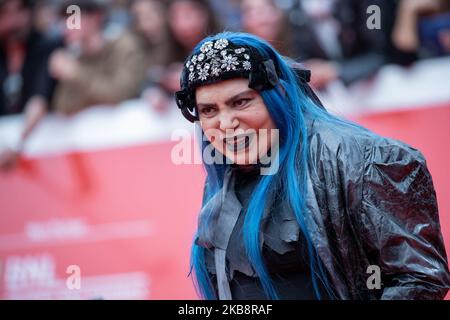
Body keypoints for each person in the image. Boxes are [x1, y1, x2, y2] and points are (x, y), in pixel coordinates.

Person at [174, 32, 450, 299]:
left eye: (241, 102)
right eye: (209, 110)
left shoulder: (365, 159)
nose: (225, 124)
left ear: (278, 94)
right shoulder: (223, 177)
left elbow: (421, 278)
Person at [0, 0, 61, 170]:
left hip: (46, 155)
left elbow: (38, 100)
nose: (13, 21)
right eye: (4, 13)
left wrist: (16, 144)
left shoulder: (47, 47)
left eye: (20, 11)